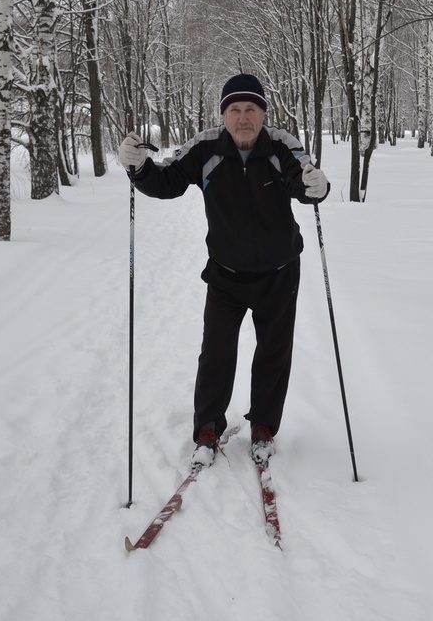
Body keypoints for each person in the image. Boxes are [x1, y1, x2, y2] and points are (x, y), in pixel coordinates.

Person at [117, 73, 330, 469]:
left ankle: (264, 427)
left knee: (273, 352)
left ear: (263, 113)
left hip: (279, 272)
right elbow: (167, 180)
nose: (243, 118)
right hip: (226, 274)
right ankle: (207, 429)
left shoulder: (282, 145)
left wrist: (317, 186)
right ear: (224, 115)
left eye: (251, 109)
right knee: (216, 352)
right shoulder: (205, 147)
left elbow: (305, 179)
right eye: (235, 109)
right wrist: (139, 169)